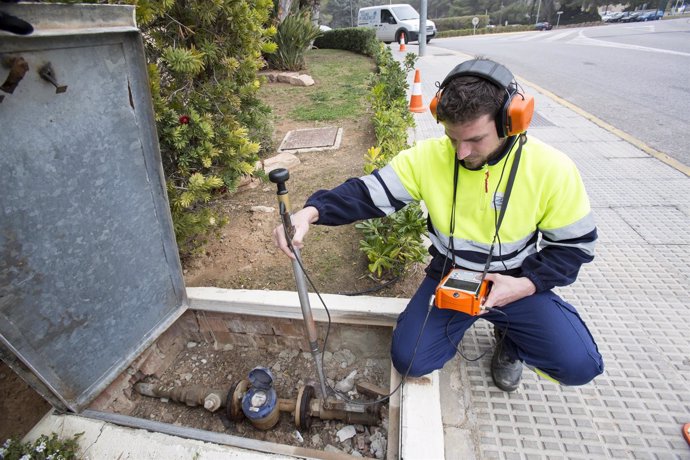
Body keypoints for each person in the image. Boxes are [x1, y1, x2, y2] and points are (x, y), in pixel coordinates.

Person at [273, 58, 603, 392]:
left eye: (475, 139)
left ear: (510, 121)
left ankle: (510, 341)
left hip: (513, 281)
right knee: (411, 360)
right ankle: (469, 321)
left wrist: (527, 284)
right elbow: (367, 194)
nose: (461, 152)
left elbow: (574, 247)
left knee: (579, 366)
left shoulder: (553, 169)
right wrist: (310, 212)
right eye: (452, 137)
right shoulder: (428, 157)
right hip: (449, 276)